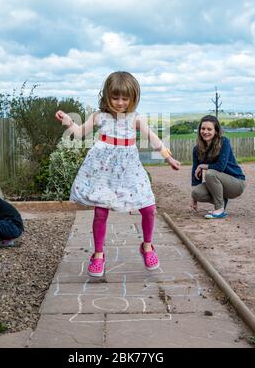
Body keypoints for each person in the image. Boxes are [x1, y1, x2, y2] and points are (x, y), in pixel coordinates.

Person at [55, 71, 180, 277]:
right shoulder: (99, 117)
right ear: (106, 96)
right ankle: (98, 255)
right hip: (104, 170)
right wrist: (68, 121)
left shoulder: (135, 119)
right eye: (115, 97)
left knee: (148, 207)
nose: (120, 102)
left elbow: (154, 139)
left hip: (129, 170)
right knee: (101, 212)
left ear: (133, 98)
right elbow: (78, 133)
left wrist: (168, 157)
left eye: (125, 98)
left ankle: (147, 246)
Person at [190, 115, 246, 219]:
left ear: (216, 131)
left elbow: (220, 167)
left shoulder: (224, 142)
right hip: (218, 183)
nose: (205, 132)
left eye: (209, 129)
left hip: (236, 183)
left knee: (210, 173)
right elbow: (195, 173)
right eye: (203, 128)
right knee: (196, 192)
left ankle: (220, 209)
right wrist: (194, 199)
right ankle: (222, 200)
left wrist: (203, 166)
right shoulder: (196, 149)